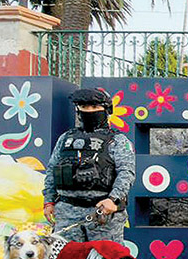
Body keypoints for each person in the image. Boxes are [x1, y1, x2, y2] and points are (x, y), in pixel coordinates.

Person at [43, 89, 135, 243]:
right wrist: (49, 201)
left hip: (103, 213)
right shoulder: (65, 139)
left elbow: (127, 173)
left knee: (104, 257)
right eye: (84, 107)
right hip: (67, 213)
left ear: (106, 110)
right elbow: (52, 170)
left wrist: (113, 199)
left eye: (94, 107)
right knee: (67, 256)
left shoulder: (117, 140)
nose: (89, 111)